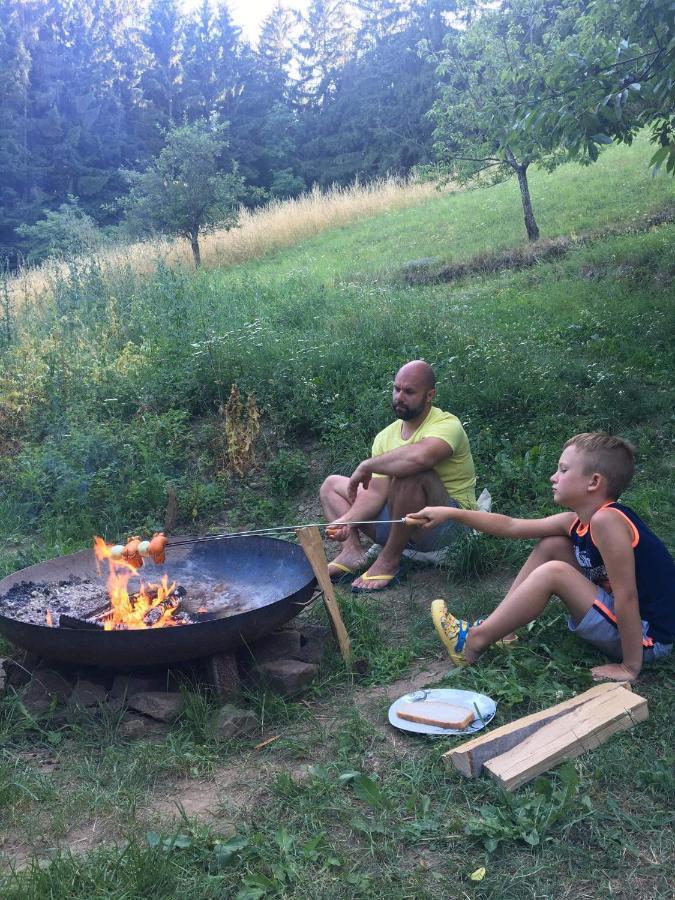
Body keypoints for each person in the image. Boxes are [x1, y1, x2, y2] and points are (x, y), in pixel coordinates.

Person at [408, 432, 674, 682]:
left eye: (563, 469)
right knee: (552, 546)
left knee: (555, 572)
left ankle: (474, 641)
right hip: (631, 623)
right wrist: (451, 513)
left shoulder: (608, 520)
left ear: (593, 482)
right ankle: (501, 631)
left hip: (648, 638)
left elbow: (627, 595)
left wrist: (629, 667)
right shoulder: (578, 521)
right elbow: (512, 526)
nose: (553, 477)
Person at [320, 360, 476, 592]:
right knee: (331, 485)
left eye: (409, 392)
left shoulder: (447, 424)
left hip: (445, 528)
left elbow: (420, 458)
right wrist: (348, 519)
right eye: (396, 389)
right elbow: (376, 492)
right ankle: (352, 553)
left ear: (429, 395)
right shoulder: (386, 436)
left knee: (410, 473)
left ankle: (389, 559)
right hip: (400, 521)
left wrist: (365, 466)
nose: (399, 397)